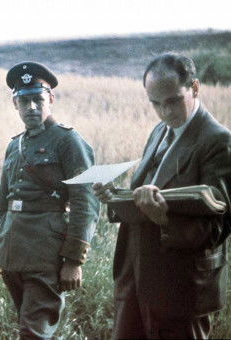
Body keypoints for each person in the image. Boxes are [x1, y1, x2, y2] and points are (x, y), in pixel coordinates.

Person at [93, 53, 231, 339]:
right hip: (135, 282)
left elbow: (219, 227)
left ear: (194, 88)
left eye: (172, 101)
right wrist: (115, 196)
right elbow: (148, 192)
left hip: (181, 290)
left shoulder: (218, 141)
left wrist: (165, 220)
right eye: (155, 104)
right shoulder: (159, 131)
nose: (165, 112)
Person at [0, 61, 100, 339]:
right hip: (12, 253)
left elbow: (86, 201)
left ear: (51, 100)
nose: (31, 107)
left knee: (34, 333)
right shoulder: (15, 145)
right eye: (24, 101)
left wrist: (74, 260)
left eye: (38, 99)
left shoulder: (68, 141)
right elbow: (3, 204)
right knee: (29, 329)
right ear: (15, 104)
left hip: (46, 255)